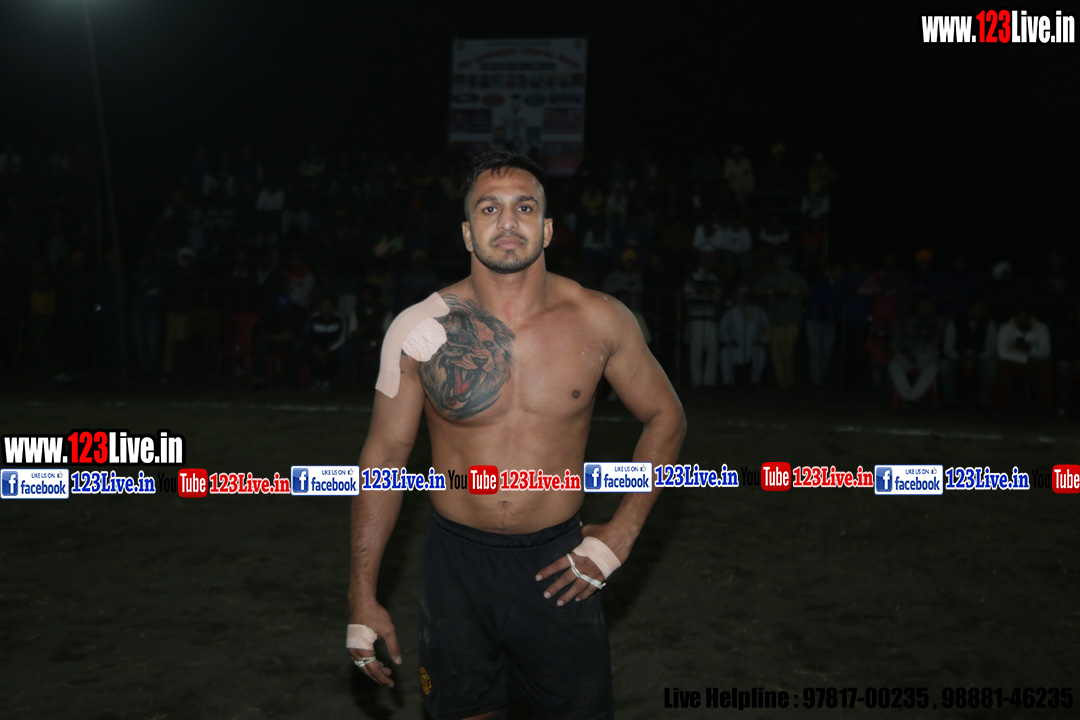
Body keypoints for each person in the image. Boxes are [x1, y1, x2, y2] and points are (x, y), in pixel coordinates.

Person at [348, 150, 686, 720]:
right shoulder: (418, 328)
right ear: (467, 232)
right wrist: (361, 592)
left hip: (560, 562)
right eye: (489, 208)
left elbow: (667, 415)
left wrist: (621, 535)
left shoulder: (600, 319)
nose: (507, 221)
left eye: (524, 207)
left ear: (547, 229)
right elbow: (384, 456)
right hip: (455, 566)